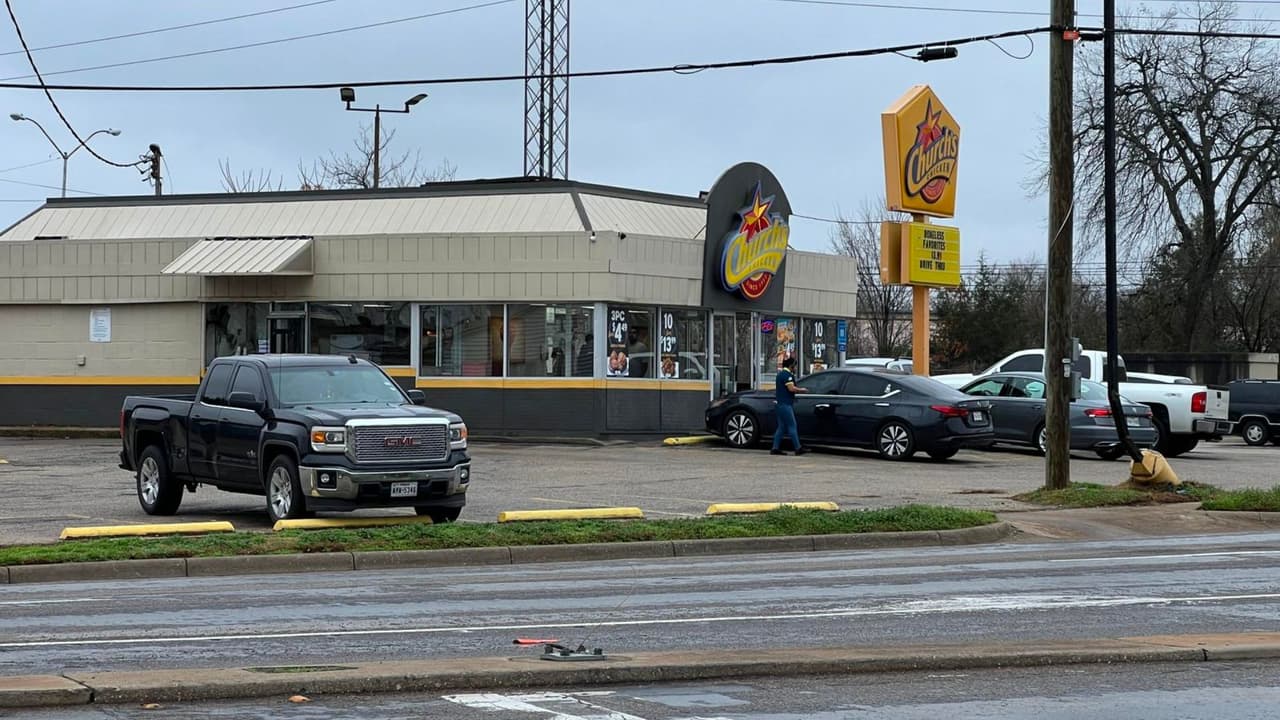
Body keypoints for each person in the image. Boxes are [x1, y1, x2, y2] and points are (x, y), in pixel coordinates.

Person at [772, 356, 809, 456]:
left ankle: (775, 448)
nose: (795, 368)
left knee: (781, 427)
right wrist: (802, 390)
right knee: (792, 425)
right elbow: (791, 388)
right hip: (785, 404)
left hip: (779, 404)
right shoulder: (787, 375)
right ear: (791, 365)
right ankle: (798, 448)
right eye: (795, 366)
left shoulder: (780, 375)